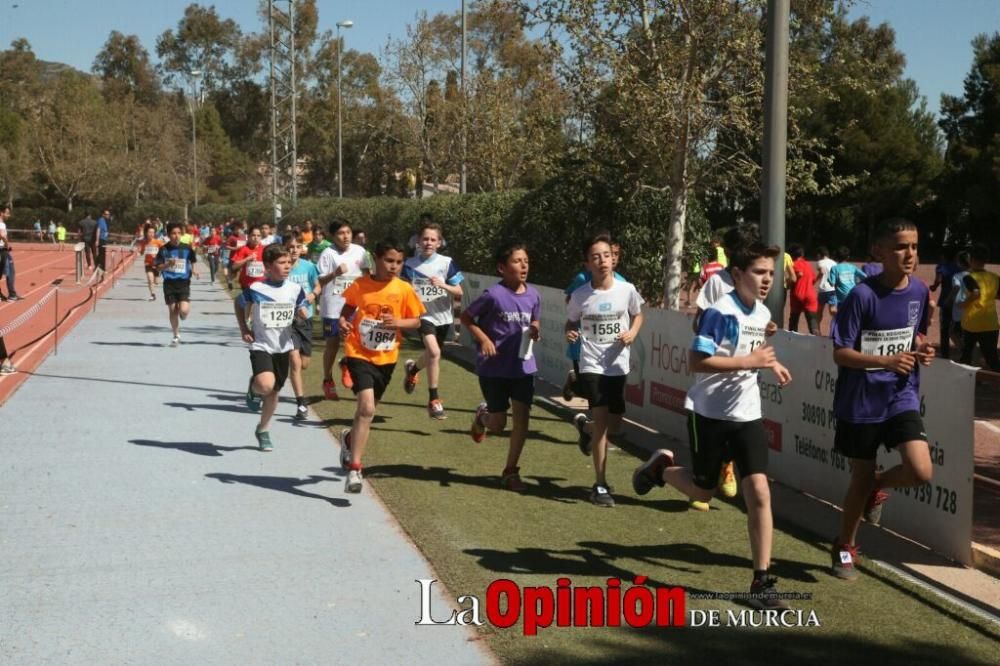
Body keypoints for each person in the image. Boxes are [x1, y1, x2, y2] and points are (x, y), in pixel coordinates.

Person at [632, 241, 793, 609]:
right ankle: (662, 470)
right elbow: (695, 361)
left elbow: (751, 349)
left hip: (748, 415)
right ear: (737, 275)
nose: (767, 279)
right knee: (704, 492)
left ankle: (761, 582)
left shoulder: (761, 312)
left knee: (760, 493)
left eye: (771, 273)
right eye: (759, 272)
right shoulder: (719, 312)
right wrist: (748, 360)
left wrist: (770, 363)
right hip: (708, 414)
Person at [829, 218, 935, 581]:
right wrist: (886, 360)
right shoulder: (861, 295)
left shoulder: (920, 291)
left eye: (915, 246)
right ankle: (844, 546)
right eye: (901, 247)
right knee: (859, 477)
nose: (910, 254)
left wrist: (922, 347)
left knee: (921, 471)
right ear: (879, 251)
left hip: (900, 394)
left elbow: (915, 333)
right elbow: (841, 353)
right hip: (860, 401)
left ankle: (878, 486)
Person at [336, 237, 425, 493]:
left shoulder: (404, 289)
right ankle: (355, 469)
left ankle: (349, 438)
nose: (394, 266)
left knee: (368, 411)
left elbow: (416, 321)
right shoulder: (360, 285)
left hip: (386, 358)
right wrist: (343, 323)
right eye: (389, 260)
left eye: (399, 262)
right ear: (376, 258)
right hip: (358, 352)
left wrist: (396, 323)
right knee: (366, 409)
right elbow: (347, 309)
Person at [689, 224, 767, 511]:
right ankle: (707, 470)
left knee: (741, 426)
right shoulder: (717, 283)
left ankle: (728, 465)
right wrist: (721, 330)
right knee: (701, 492)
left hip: (744, 385)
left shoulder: (757, 279)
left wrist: (760, 329)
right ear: (731, 254)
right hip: (712, 380)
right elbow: (698, 323)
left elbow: (755, 323)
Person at [566, 233, 645, 507]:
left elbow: (638, 314)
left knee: (615, 425)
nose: (602, 261)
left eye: (606, 255)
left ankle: (585, 429)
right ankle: (600, 485)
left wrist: (633, 332)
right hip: (592, 364)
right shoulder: (580, 295)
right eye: (595, 257)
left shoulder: (627, 290)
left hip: (617, 364)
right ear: (587, 263)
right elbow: (571, 322)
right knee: (602, 424)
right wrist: (571, 334)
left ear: (613, 258)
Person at [461, 240, 541, 491]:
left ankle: (510, 471)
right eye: (517, 261)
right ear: (502, 268)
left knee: (522, 420)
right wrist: (483, 338)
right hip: (494, 369)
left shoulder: (534, 295)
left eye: (526, 261)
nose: (523, 265)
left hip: (523, 368)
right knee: (498, 425)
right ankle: (482, 418)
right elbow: (466, 317)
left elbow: (534, 320)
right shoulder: (493, 296)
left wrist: (536, 328)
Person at [235, 244, 310, 451]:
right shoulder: (257, 289)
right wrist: (243, 328)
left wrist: (303, 312)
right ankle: (254, 387)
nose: (287, 266)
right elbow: (238, 303)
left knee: (274, 393)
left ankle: (263, 429)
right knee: (265, 385)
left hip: (283, 347)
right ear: (268, 266)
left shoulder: (295, 289)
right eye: (281, 263)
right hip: (261, 344)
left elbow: (302, 307)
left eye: (289, 263)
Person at [401, 221, 465, 419]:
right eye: (425, 239)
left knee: (431, 355)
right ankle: (433, 400)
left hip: (443, 317)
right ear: (418, 241)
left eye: (433, 239)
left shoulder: (446, 263)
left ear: (439, 243)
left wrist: (444, 285)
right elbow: (402, 290)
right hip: (423, 316)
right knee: (435, 352)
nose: (428, 242)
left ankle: (413, 369)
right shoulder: (409, 265)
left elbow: (459, 292)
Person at [562, 240, 626, 401]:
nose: (611, 259)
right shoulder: (583, 278)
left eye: (615, 255)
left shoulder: (623, 283)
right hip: (582, 345)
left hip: (610, 349)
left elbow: (632, 312)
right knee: (591, 391)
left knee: (604, 395)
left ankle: (592, 425)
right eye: (607, 254)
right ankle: (574, 383)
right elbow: (570, 300)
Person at [317, 219, 371, 401]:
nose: (345, 236)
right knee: (332, 345)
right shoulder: (327, 253)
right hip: (332, 308)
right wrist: (335, 274)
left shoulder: (361, 251)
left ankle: (347, 363)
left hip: (354, 309)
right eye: (341, 233)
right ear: (333, 236)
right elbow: (319, 281)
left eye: (348, 232)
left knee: (356, 342)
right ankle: (327, 379)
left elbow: (367, 276)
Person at [285, 233, 321, 420]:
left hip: (306, 318)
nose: (293, 250)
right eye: (290, 247)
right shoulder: (282, 268)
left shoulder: (308, 267)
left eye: (297, 247)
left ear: (301, 249)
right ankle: (301, 403)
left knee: (304, 363)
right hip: (288, 320)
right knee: (295, 361)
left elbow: (317, 285)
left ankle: (282, 366)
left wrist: (314, 295)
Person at [154, 221, 201, 347]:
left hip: (184, 282)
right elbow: (158, 267)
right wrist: (167, 265)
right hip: (169, 283)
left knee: (184, 310)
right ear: (169, 235)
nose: (177, 235)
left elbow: (193, 260)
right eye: (173, 233)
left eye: (179, 233)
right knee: (172, 310)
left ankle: (183, 315)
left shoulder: (186, 248)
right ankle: (176, 335)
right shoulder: (164, 249)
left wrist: (195, 270)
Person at [958, 244, 1000, 371]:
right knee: (992, 357)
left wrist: (963, 304)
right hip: (990, 322)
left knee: (966, 355)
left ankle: (965, 382)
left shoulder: (968, 277)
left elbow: (976, 293)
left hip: (972, 322)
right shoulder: (995, 277)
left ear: (971, 260)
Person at [930, 248, 960, 359]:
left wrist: (933, 287)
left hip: (945, 301)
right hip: (958, 301)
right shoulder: (959, 267)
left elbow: (938, 280)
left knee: (944, 329)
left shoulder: (941, 266)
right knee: (957, 327)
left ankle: (945, 354)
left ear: (943, 256)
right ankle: (963, 350)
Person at [788, 243, 819, 335]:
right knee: (813, 321)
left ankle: (791, 341)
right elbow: (813, 279)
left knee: (793, 321)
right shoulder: (808, 265)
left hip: (797, 294)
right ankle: (816, 342)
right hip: (810, 295)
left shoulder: (794, 264)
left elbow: (799, 274)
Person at [827, 247, 867, 317]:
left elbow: (832, 283)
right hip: (853, 294)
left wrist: (828, 279)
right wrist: (857, 284)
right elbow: (865, 276)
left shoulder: (834, 268)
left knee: (841, 317)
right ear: (848, 257)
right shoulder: (853, 267)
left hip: (841, 297)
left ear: (836, 257)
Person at [945, 251, 972, 353]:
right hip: (971, 307)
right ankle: (966, 351)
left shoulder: (957, 276)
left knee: (952, 332)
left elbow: (956, 287)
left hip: (959, 308)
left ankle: (963, 351)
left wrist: (948, 299)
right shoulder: (973, 275)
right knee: (967, 333)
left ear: (959, 263)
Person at [229, 226, 266, 298]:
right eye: (253, 235)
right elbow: (234, 266)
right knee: (249, 306)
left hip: (262, 284)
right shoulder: (243, 249)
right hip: (247, 285)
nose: (256, 238)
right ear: (248, 236)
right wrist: (247, 259)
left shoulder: (265, 249)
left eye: (258, 236)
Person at [135, 224, 164, 301]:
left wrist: (158, 255)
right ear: (146, 233)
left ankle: (158, 275)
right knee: (150, 279)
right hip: (148, 263)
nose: (151, 234)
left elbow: (164, 250)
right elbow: (142, 252)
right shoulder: (144, 242)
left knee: (156, 282)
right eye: (150, 232)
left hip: (157, 264)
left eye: (153, 232)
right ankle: (152, 294)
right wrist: (138, 253)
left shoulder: (158, 242)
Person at [815, 246, 837, 333]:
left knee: (819, 311)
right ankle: (835, 330)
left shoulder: (820, 262)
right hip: (832, 288)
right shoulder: (834, 263)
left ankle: (818, 331)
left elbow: (821, 271)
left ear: (820, 254)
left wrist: (814, 280)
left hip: (823, 289)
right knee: (833, 310)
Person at [0, 204, 14, 301]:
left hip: (3, 249)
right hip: (2, 249)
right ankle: (11, 294)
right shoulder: (1, 224)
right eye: (7, 213)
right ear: (1, 213)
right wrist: (6, 244)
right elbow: (2, 235)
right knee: (4, 272)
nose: (8, 215)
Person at [94, 208, 111, 282]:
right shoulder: (100, 220)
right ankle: (101, 269)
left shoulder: (105, 221)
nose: (108, 215)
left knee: (103, 254)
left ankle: (100, 268)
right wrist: (97, 240)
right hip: (101, 240)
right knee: (102, 255)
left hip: (104, 240)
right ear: (103, 214)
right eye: (106, 214)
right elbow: (98, 230)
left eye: (109, 214)